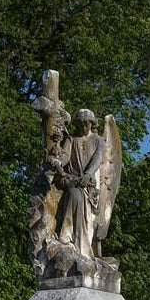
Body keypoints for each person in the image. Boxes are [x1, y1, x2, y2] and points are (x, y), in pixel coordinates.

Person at [56, 109, 105, 260]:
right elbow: (64, 156)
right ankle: (67, 237)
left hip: (88, 185)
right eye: (80, 124)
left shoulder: (98, 141)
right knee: (73, 195)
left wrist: (88, 174)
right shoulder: (71, 140)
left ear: (92, 123)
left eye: (86, 124)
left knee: (80, 200)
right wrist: (58, 159)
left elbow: (97, 159)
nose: (83, 127)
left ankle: (82, 246)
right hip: (72, 180)